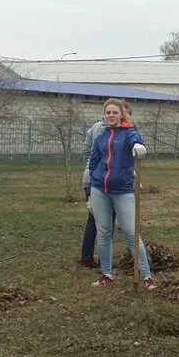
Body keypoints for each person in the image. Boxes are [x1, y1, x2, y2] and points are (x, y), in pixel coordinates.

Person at [88, 98, 154, 289]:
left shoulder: (129, 132)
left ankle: (146, 275)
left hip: (123, 191)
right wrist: (94, 180)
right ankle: (106, 273)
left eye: (114, 112)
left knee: (132, 233)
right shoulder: (101, 136)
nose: (111, 116)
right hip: (100, 190)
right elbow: (93, 161)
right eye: (108, 112)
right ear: (104, 114)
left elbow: (136, 140)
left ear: (121, 114)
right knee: (104, 232)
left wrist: (137, 146)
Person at [79, 115, 106, 268]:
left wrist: (90, 163)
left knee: (93, 220)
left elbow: (85, 150)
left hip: (88, 177)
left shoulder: (94, 127)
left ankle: (86, 257)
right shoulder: (112, 130)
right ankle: (103, 260)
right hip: (99, 180)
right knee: (104, 222)